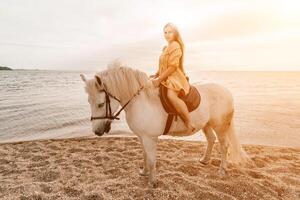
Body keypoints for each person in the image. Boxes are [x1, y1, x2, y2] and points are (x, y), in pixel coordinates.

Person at [150, 22, 196, 133]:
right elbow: (163, 64)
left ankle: (188, 122)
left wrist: (159, 80)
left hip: (175, 77)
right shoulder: (166, 47)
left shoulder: (176, 46)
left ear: (175, 33)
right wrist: (156, 74)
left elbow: (172, 67)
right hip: (166, 75)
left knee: (171, 96)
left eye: (170, 32)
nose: (167, 34)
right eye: (165, 32)